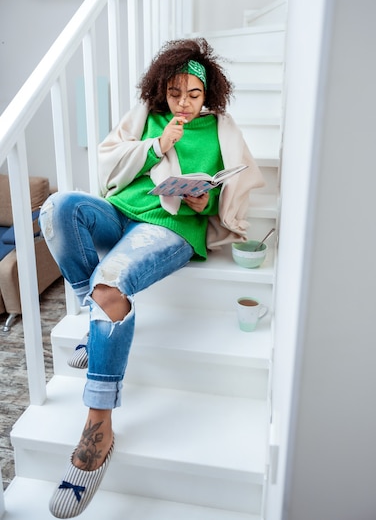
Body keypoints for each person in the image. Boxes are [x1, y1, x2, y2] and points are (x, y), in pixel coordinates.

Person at [40, 37, 264, 518]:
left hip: (171, 227)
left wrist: (204, 202)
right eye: (176, 92)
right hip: (122, 212)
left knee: (110, 284)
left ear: (209, 96)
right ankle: (90, 320)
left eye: (194, 94)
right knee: (57, 207)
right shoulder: (146, 118)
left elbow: (227, 196)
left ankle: (97, 431)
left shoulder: (221, 131)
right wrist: (155, 146)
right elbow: (110, 166)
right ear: (162, 88)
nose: (183, 102)